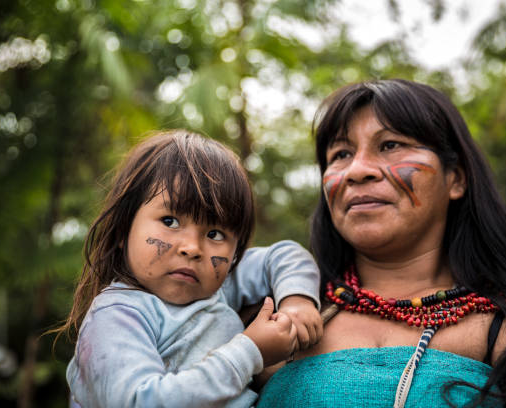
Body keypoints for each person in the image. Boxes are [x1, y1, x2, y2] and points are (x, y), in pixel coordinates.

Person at [255, 79, 506, 407]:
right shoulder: (278, 318)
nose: (358, 170)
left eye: (390, 145)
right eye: (341, 153)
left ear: (455, 178)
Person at [55, 130, 323, 407]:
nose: (193, 248)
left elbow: (283, 255)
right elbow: (139, 401)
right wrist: (250, 352)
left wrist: (297, 302)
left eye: (215, 234)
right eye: (170, 221)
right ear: (123, 229)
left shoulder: (217, 285)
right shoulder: (116, 316)